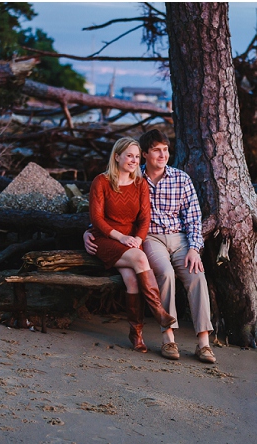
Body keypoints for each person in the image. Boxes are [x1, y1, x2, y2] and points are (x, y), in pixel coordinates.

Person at [85, 129, 215, 363]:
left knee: (197, 275)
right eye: (156, 150)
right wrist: (88, 231)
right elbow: (102, 214)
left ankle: (204, 343)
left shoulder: (179, 179)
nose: (162, 155)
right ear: (145, 154)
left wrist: (195, 248)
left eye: (165, 150)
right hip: (150, 240)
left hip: (179, 238)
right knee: (164, 273)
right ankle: (168, 337)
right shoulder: (134, 178)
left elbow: (194, 219)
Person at [89, 137, 177, 353]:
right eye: (129, 155)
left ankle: (136, 333)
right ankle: (159, 312)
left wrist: (138, 238)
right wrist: (121, 238)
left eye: (137, 157)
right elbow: (97, 219)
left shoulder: (140, 184)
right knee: (139, 258)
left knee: (133, 282)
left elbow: (144, 219)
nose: (134, 160)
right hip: (106, 240)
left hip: (130, 242)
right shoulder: (101, 182)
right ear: (117, 156)